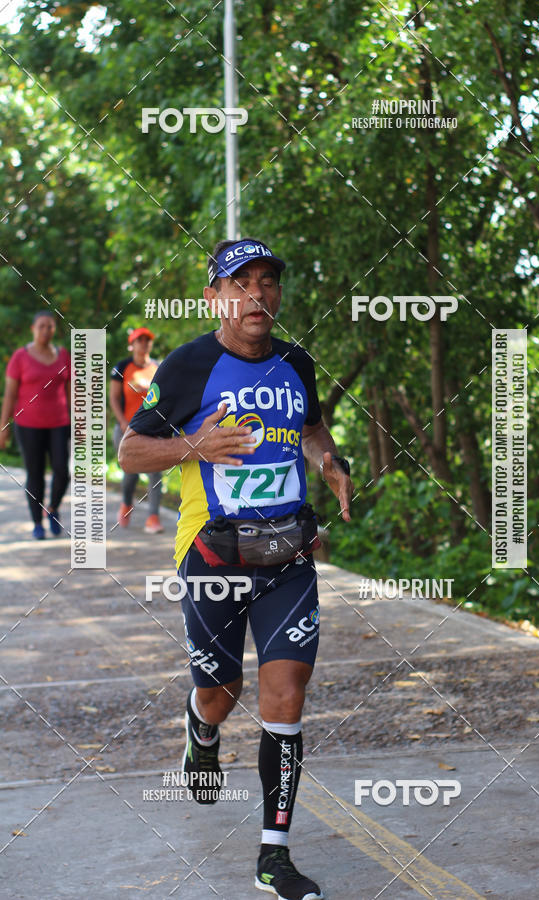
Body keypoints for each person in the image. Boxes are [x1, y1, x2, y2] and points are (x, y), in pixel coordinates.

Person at [119, 238, 353, 900]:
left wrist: (327, 463)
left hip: (287, 557)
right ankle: (201, 729)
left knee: (286, 697)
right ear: (216, 297)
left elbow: (312, 428)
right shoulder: (190, 365)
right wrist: (192, 444)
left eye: (267, 281)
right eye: (240, 282)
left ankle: (273, 857)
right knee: (221, 694)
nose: (257, 294)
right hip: (213, 555)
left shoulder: (296, 363)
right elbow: (131, 451)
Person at [0, 311, 71, 539]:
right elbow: (10, 394)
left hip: (60, 423)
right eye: (41, 326)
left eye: (50, 326)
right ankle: (37, 523)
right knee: (35, 474)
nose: (45, 330)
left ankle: (53, 508)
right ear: (33, 329)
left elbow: (72, 392)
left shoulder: (63, 355)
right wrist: (4, 426)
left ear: (54, 330)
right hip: (28, 425)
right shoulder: (20, 357)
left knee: (62, 471)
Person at [109, 326, 164, 533]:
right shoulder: (122, 367)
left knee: (155, 473)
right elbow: (114, 398)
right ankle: (126, 503)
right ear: (132, 344)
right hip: (126, 429)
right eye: (139, 340)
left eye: (147, 340)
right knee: (130, 473)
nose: (144, 343)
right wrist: (122, 421)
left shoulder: (158, 368)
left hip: (153, 430)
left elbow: (164, 398)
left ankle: (153, 517)